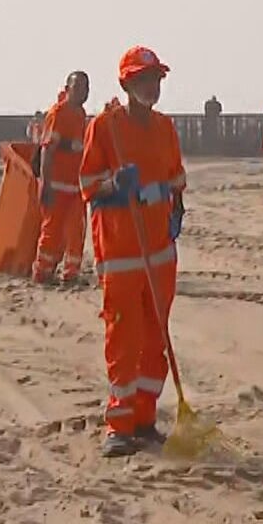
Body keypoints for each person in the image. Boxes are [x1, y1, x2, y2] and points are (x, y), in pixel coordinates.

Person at [80, 47, 188, 458]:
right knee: (123, 336)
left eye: (157, 79)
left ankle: (144, 418)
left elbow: (176, 180)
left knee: (155, 338)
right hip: (122, 250)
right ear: (126, 84)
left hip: (160, 251)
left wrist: (176, 213)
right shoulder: (105, 128)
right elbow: (88, 182)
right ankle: (119, 424)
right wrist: (112, 184)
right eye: (144, 79)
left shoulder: (165, 128)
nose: (152, 86)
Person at [33, 71, 92, 286]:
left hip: (75, 187)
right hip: (57, 186)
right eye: (78, 88)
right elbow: (47, 150)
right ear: (68, 89)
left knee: (77, 231)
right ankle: (42, 272)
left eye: (86, 88)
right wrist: (45, 185)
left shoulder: (80, 114)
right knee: (52, 232)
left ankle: (71, 273)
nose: (82, 92)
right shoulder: (57, 113)